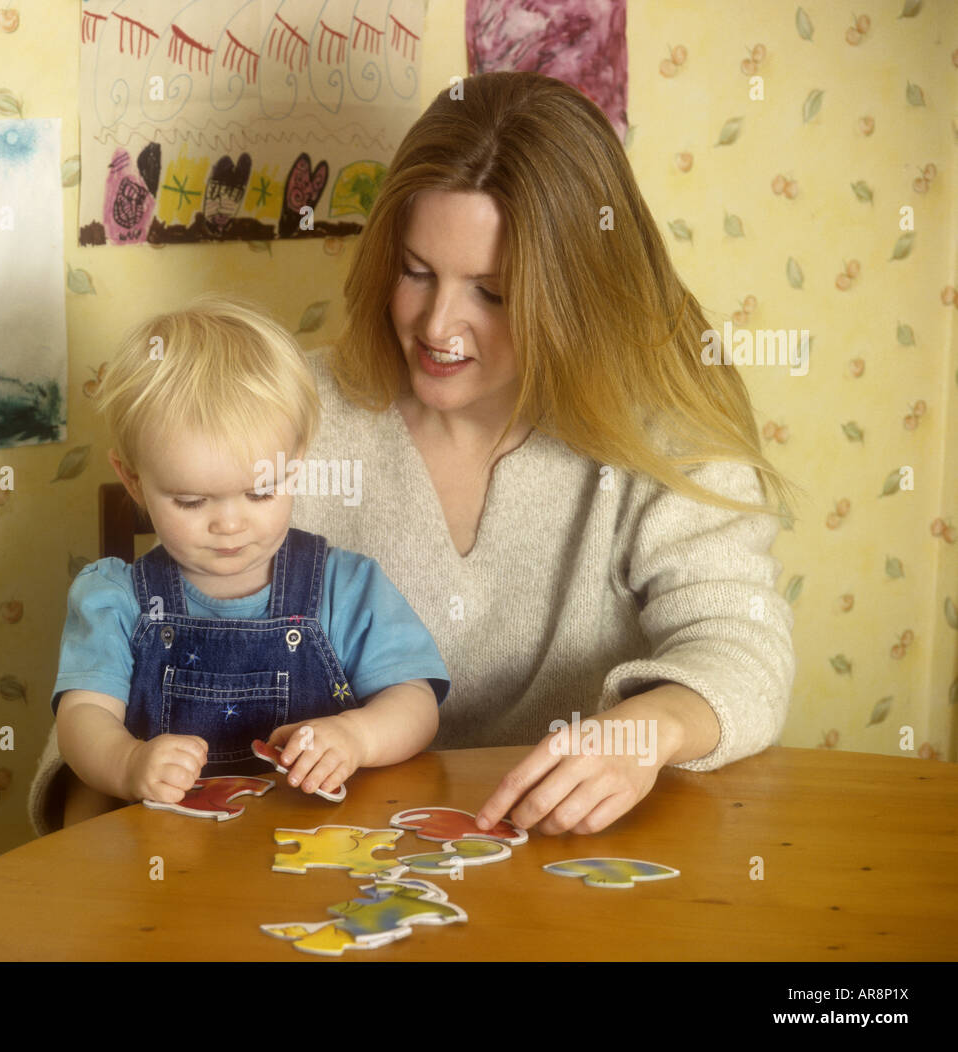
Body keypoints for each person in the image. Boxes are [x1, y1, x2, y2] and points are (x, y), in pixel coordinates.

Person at [287, 71, 800, 837]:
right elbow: (157, 636)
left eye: (492, 293)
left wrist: (645, 731)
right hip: (337, 859)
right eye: (416, 273)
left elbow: (742, 643)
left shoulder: (661, 424)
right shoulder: (291, 405)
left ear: (575, 294)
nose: (438, 327)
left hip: (576, 864)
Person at [25, 295, 449, 834]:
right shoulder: (115, 599)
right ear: (133, 480)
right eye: (192, 501)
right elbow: (82, 719)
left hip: (319, 853)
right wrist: (128, 763)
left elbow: (416, 701)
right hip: (171, 866)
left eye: (260, 491)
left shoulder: (347, 586)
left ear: (295, 469)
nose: (230, 524)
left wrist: (357, 736)